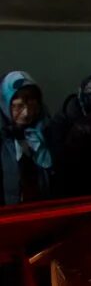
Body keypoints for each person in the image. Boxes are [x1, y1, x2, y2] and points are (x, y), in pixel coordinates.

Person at [1, 71, 55, 205]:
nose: (26, 114)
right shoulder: (3, 139)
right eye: (18, 106)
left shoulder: (47, 131)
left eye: (32, 106)